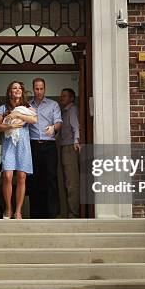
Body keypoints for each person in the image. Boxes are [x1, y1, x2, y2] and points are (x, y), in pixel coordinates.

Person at [0, 81, 37, 220]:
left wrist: (17, 115)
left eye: (19, 88)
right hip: (9, 143)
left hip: (23, 144)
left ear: (22, 91)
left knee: (21, 177)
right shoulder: (3, 108)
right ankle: (8, 208)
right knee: (7, 176)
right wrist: (9, 126)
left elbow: (34, 120)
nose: (17, 90)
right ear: (10, 92)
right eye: (14, 88)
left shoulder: (27, 107)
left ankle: (18, 211)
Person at [28, 78, 62, 218]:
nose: (39, 91)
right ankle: (35, 214)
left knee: (51, 178)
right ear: (33, 88)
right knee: (34, 179)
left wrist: (53, 127)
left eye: (41, 89)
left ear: (45, 89)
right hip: (32, 145)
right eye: (37, 89)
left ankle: (53, 213)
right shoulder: (27, 105)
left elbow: (59, 122)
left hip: (49, 146)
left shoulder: (53, 104)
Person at [59, 88, 81, 218]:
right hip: (64, 147)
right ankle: (70, 212)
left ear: (72, 98)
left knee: (72, 182)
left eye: (65, 96)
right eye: (61, 95)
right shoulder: (64, 112)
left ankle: (74, 214)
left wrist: (76, 141)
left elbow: (75, 126)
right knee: (68, 182)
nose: (62, 97)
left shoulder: (72, 110)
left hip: (70, 148)